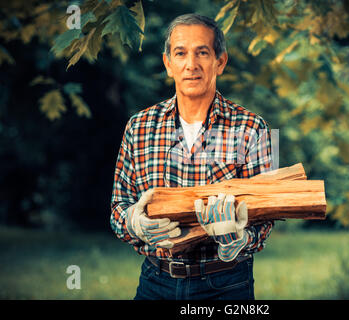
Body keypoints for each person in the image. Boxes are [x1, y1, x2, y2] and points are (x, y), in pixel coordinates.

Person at [110, 13, 275, 300]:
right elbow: (118, 206)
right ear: (168, 64)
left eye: (202, 53)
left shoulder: (253, 128)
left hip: (226, 284)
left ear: (220, 62)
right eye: (180, 53)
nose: (191, 65)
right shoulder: (139, 126)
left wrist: (238, 239)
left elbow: (268, 216)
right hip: (155, 281)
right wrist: (135, 222)